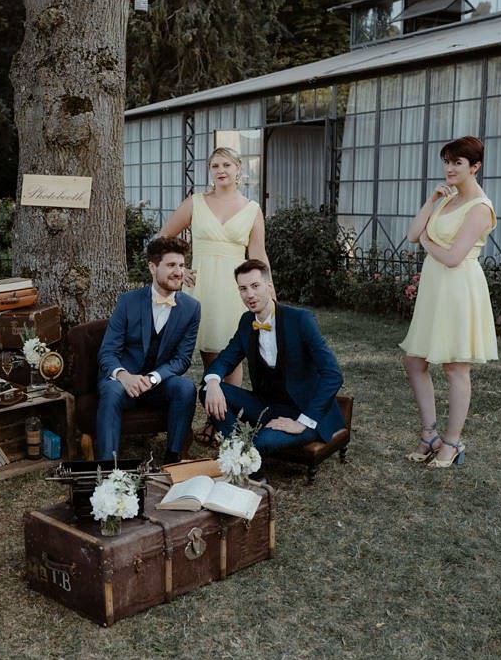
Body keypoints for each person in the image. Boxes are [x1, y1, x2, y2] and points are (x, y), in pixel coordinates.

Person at [400, 136, 498, 469]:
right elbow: (413, 233)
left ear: (475, 166)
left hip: (458, 288)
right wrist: (431, 201)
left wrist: (427, 241)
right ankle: (429, 434)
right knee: (414, 361)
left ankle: (453, 442)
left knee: (455, 367)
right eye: (447, 161)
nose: (450, 168)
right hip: (435, 287)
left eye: (458, 162)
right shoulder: (446, 198)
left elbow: (454, 257)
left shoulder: (481, 208)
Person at [201, 259, 344, 470]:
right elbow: (225, 359)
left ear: (269, 287)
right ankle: (236, 448)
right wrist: (213, 383)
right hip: (268, 407)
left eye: (255, 286)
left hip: (304, 412)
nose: (249, 294)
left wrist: (302, 422)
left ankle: (245, 464)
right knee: (206, 389)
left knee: (261, 442)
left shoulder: (300, 320)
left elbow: (333, 375)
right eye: (243, 288)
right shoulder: (246, 322)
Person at [160, 146, 270, 388]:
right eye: (215, 166)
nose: (221, 170)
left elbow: (258, 254)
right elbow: (164, 237)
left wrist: (268, 290)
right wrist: (179, 270)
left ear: (238, 169)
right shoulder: (195, 203)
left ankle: (226, 419)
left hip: (234, 288)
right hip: (203, 287)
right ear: (209, 171)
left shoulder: (252, 209)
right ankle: (214, 414)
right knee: (211, 355)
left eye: (227, 165)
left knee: (232, 354)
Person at [97, 236, 201, 463]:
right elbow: (107, 352)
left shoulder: (191, 308)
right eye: (171, 265)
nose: (179, 272)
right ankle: (106, 466)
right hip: (124, 384)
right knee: (111, 390)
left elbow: (182, 359)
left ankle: (173, 459)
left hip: (159, 385)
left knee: (185, 388)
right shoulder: (128, 302)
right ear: (153, 267)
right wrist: (124, 377)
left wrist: (153, 378)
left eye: (182, 265)